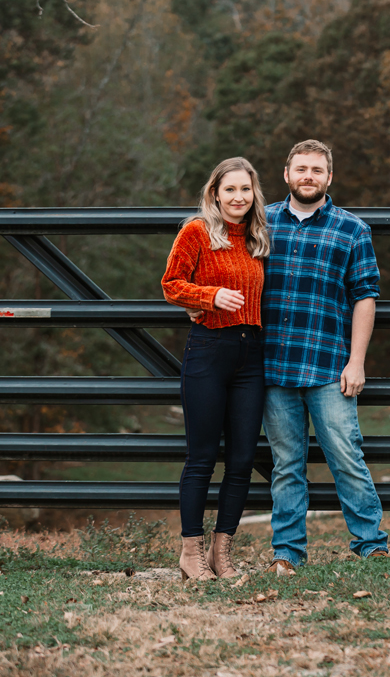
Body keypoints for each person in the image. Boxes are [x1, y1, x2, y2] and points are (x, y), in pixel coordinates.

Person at [261, 139, 388, 573]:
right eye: (301, 169)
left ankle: (371, 543)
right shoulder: (262, 224)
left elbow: (366, 297)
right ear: (287, 174)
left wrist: (357, 361)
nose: (308, 176)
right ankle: (287, 552)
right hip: (273, 365)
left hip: (329, 365)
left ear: (329, 177)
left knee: (346, 455)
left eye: (317, 169)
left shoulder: (352, 229)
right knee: (286, 464)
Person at [162, 157, 270, 581]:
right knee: (202, 458)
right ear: (215, 193)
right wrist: (210, 296)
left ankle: (221, 554)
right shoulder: (197, 232)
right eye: (230, 190)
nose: (238, 198)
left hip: (251, 355)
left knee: (242, 459)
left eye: (246, 190)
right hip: (209, 350)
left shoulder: (258, 237)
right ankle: (191, 552)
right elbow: (171, 285)